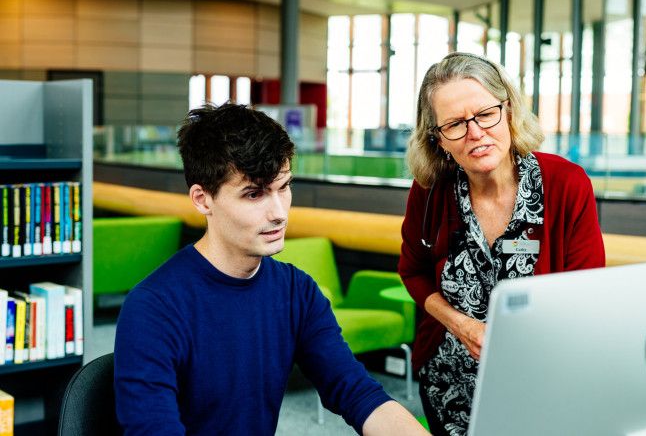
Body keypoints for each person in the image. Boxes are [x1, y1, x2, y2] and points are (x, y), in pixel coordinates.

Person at [114, 103, 429, 435]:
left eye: (283, 187)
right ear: (202, 199)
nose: (279, 212)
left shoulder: (297, 292)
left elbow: (357, 392)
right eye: (254, 194)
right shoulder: (153, 308)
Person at [398, 53, 605, 435]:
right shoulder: (429, 192)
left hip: (544, 382)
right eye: (455, 124)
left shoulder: (566, 185)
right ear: (439, 139)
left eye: (485, 114)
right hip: (449, 383)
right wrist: (460, 325)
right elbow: (413, 271)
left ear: (507, 111)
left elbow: (586, 294)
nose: (475, 132)